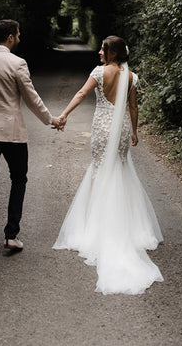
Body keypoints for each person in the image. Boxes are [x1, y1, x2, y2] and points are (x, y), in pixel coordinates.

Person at [53, 36, 164, 295]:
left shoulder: (99, 73)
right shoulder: (131, 76)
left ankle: (97, 223)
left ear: (112, 52)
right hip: (122, 127)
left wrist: (64, 114)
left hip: (102, 127)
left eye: (103, 49)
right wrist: (134, 132)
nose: (99, 53)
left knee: (99, 169)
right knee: (120, 169)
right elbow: (133, 108)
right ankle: (126, 223)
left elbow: (82, 93)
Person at [0, 19, 61, 260]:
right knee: (18, 179)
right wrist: (51, 120)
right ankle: (11, 235)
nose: (19, 38)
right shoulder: (17, 63)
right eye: (17, 35)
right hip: (12, 133)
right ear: (9, 37)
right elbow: (31, 98)